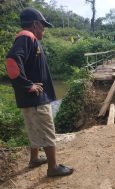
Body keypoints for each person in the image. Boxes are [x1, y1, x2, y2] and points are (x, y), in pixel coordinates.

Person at [5, 7, 74, 177]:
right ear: (35, 24)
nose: (44, 29)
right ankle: (53, 167)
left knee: (34, 129)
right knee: (47, 130)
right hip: (36, 98)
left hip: (32, 99)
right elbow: (12, 61)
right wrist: (28, 85)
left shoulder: (28, 39)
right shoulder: (27, 37)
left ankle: (34, 159)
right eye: (43, 26)